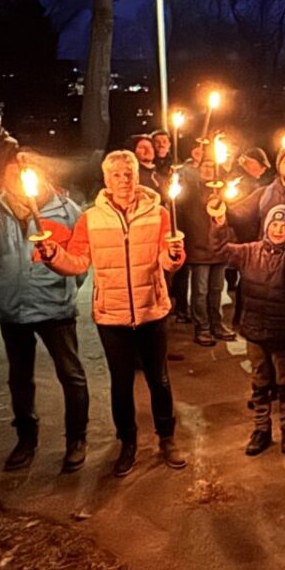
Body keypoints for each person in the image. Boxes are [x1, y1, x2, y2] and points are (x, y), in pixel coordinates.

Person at [39, 150, 187, 475]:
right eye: (117, 174)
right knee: (121, 384)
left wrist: (174, 256)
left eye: (129, 173)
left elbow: (167, 260)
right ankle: (128, 442)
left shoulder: (158, 213)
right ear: (106, 180)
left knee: (159, 380)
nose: (124, 180)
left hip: (152, 311)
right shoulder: (91, 219)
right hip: (112, 316)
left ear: (137, 176)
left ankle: (167, 437)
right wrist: (52, 254)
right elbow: (77, 261)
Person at [0, 161, 88, 471]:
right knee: (20, 377)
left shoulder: (66, 211)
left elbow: (80, 259)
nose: (19, 179)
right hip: (13, 308)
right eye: (11, 173)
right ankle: (26, 438)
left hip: (55, 307)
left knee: (71, 374)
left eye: (26, 173)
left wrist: (64, 286)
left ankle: (77, 439)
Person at [211, 202, 285, 454]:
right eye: (273, 225)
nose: (277, 230)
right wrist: (220, 223)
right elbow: (220, 251)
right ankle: (261, 428)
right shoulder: (249, 252)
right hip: (254, 329)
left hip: (284, 331)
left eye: (283, 226)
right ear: (266, 227)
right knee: (259, 381)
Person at [179, 158, 229, 345]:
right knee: (200, 291)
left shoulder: (224, 190)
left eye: (211, 165)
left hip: (219, 247)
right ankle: (203, 327)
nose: (208, 169)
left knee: (216, 289)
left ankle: (217, 324)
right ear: (198, 169)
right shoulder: (191, 191)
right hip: (199, 247)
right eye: (205, 166)